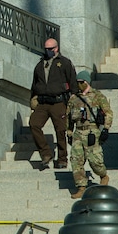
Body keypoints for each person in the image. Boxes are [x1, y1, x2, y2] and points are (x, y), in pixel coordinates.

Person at [29, 38, 78, 168]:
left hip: (58, 102)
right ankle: (46, 153)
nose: (47, 51)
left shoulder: (65, 63)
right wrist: (32, 99)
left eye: (50, 49)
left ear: (56, 48)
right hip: (43, 102)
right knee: (34, 124)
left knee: (61, 131)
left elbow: (73, 81)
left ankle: (62, 159)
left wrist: (74, 100)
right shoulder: (40, 65)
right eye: (46, 49)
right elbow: (35, 84)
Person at [66, 70, 113, 199]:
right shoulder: (74, 98)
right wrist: (69, 132)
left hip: (92, 131)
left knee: (94, 160)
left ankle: (103, 175)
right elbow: (69, 117)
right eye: (77, 82)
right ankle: (81, 186)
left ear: (86, 82)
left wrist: (105, 129)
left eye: (81, 82)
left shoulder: (97, 96)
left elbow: (108, 112)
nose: (79, 85)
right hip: (78, 131)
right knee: (76, 160)